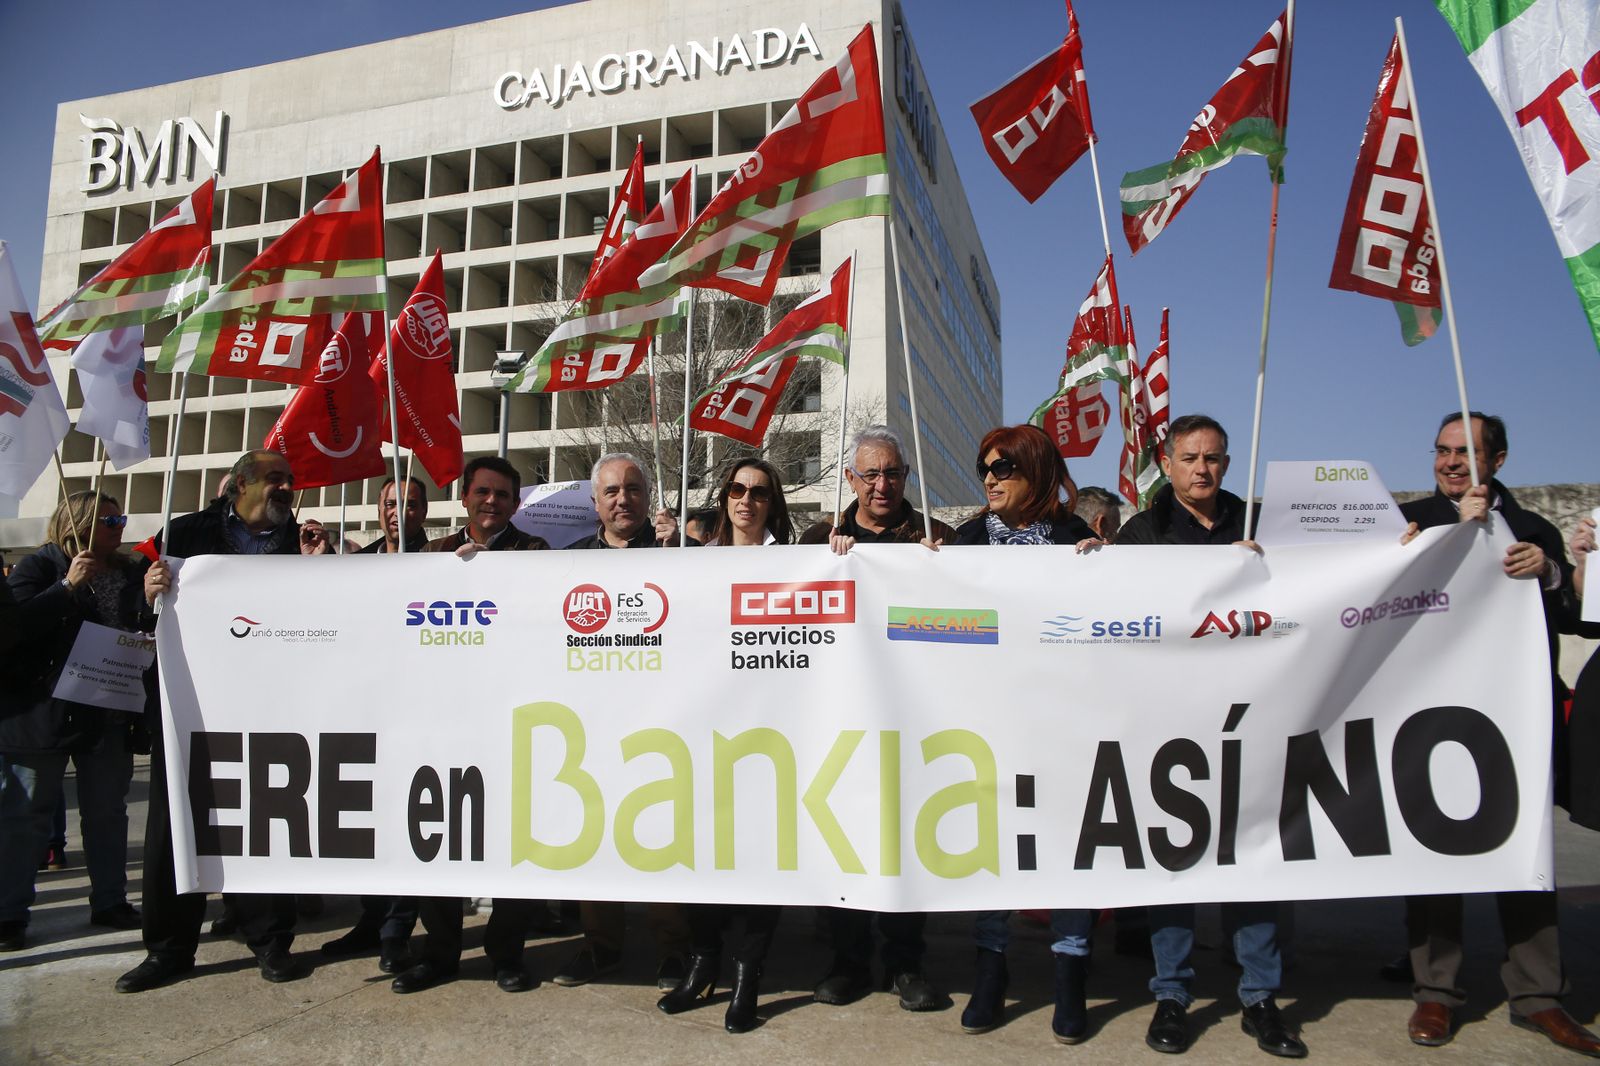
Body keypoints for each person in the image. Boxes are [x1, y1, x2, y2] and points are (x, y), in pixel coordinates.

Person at [1397, 412, 1599, 1058]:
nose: (1452, 462)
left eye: (1468, 452)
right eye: (1443, 450)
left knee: (1525, 854)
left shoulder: (1533, 529)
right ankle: (1436, 990)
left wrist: (1548, 571)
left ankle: (1538, 995)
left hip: (1515, 716)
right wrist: (1446, 540)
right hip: (1432, 712)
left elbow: (1577, 616)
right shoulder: (1412, 522)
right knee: (1435, 853)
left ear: (1499, 460)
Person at [1112, 414, 1303, 1059]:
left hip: (1255, 718)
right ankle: (1172, 993)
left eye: (1215, 458)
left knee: (1253, 856)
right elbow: (1116, 611)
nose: (1203, 469)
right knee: (1178, 859)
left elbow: (1332, 574)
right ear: (1166, 465)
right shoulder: (1141, 535)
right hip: (1172, 721)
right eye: (1190, 458)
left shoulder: (1262, 526)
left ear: (1228, 462)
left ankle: (1260, 997)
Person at [117, 449, 330, 993]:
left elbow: (325, 614)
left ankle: (270, 941)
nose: (285, 488)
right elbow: (128, 604)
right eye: (273, 479)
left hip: (267, 706)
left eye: (289, 479)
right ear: (238, 485)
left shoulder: (298, 544)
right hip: (189, 707)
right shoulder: (183, 535)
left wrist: (321, 570)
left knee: (263, 823)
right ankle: (168, 950)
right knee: (174, 828)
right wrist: (147, 593)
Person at [940, 425, 1096, 1044]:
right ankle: (990, 971)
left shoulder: (1078, 540)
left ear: (1037, 469)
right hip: (990, 723)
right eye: (984, 466)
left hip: (1066, 723)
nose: (991, 477)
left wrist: (1105, 570)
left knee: (1069, 847)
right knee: (994, 848)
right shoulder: (966, 541)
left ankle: (1070, 975)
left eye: (1005, 465)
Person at [798, 425, 954, 1013]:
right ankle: (848, 961)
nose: (882, 484)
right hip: (840, 723)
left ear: (906, 479)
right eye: (871, 474)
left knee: (904, 842)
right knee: (846, 839)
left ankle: (906, 963)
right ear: (850, 480)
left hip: (915, 721)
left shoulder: (938, 538)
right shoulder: (821, 537)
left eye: (893, 473)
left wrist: (943, 569)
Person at [392, 457, 547, 995]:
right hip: (441, 727)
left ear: (515, 503)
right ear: (463, 497)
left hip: (509, 729)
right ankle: (439, 954)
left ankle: (507, 952)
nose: (492, 502)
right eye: (482, 492)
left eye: (503, 495)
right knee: (437, 844)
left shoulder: (535, 554)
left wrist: (492, 574)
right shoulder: (430, 556)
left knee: (513, 845)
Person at [658, 458, 791, 1033]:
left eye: (759, 493)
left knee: (763, 862)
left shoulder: (795, 564)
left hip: (769, 733)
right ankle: (704, 961)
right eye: (737, 489)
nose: (746, 500)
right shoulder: (692, 564)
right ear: (724, 498)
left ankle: (747, 975)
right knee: (697, 857)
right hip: (699, 733)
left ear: (772, 504)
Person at [556, 453, 693, 990]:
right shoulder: (567, 563)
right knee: (595, 838)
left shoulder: (676, 558)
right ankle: (600, 947)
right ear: (595, 502)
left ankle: (673, 951)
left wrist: (684, 550)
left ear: (647, 496)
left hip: (662, 728)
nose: (622, 500)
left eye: (633, 489)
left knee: (662, 838)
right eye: (611, 491)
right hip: (591, 731)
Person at [1, 492, 145, 951]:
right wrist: (66, 587)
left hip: (107, 710)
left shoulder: (128, 569)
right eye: (109, 519)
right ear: (77, 522)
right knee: (27, 816)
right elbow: (15, 628)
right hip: (42, 714)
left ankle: (110, 900)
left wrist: (152, 597)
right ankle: (9, 914)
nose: (120, 525)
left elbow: (141, 621)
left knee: (107, 812)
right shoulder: (39, 567)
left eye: (121, 517)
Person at [318, 476, 430, 974]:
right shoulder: (354, 564)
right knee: (369, 824)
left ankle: (396, 931)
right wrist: (314, 571)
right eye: (389, 503)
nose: (397, 511)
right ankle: (371, 918)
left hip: (418, 715)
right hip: (364, 713)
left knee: (408, 826)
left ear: (423, 512)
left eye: (408, 503)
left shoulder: (446, 558)